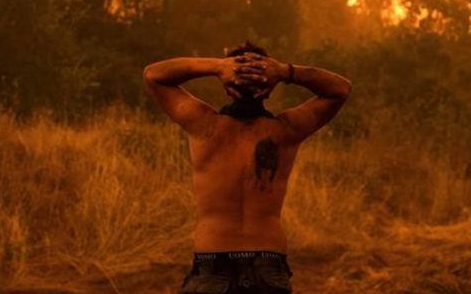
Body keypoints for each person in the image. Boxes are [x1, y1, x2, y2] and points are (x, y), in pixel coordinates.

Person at [143, 41, 352, 294]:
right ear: (269, 89)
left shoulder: (204, 125)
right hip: (268, 264)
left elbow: (154, 75)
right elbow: (340, 89)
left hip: (213, 262)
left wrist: (219, 67)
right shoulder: (286, 130)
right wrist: (284, 72)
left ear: (227, 88)